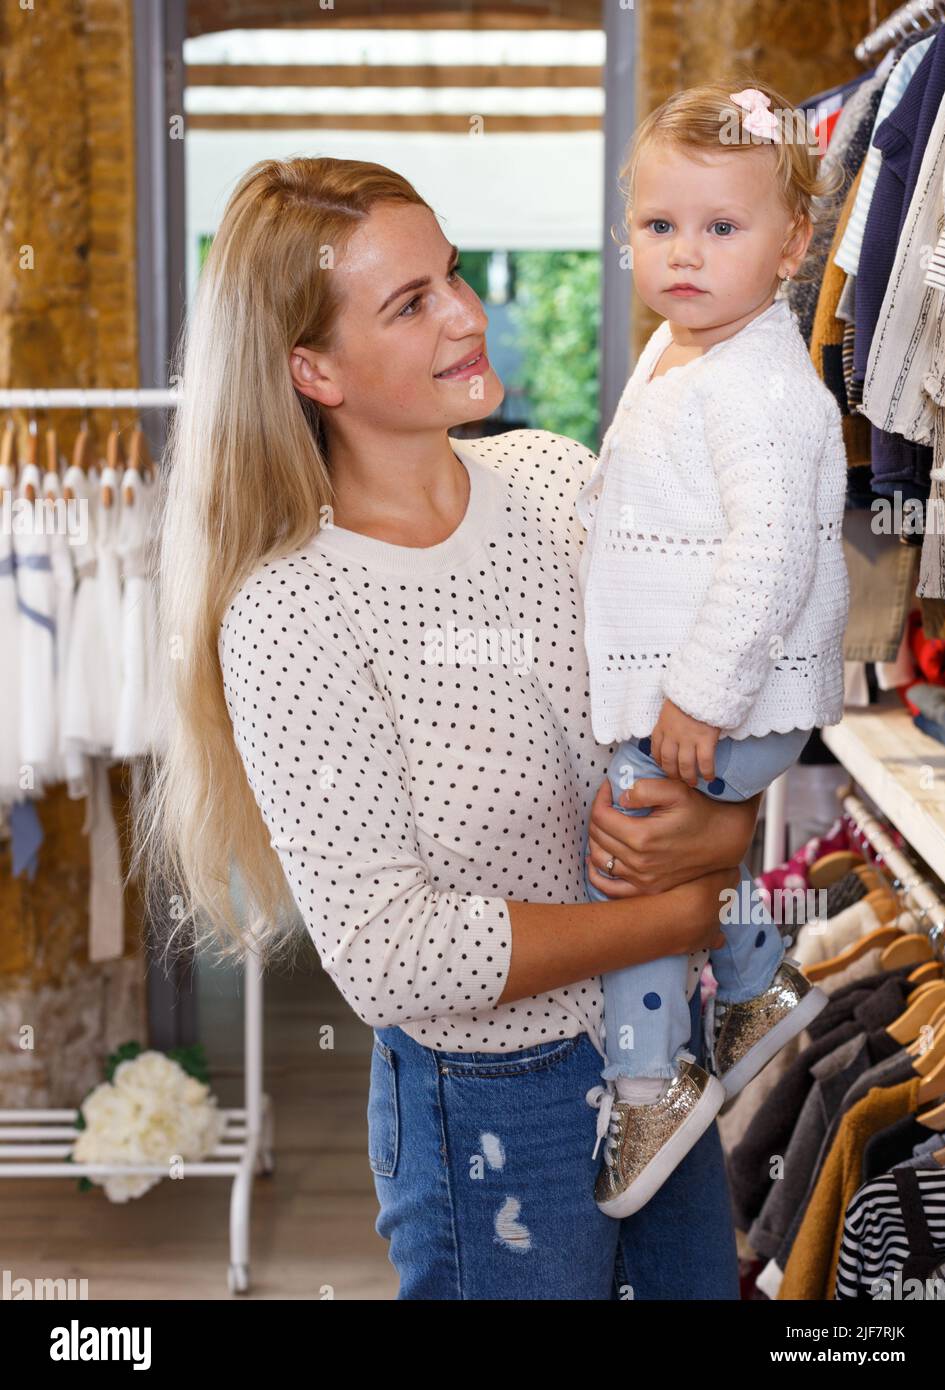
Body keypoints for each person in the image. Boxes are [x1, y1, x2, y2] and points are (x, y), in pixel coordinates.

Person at [137, 154, 763, 1299]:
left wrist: (724, 837)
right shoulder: (293, 607)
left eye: (454, 276)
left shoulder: (556, 480)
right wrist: (679, 912)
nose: (468, 315)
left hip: (665, 1050)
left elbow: (695, 725)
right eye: (411, 303)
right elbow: (391, 954)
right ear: (310, 368)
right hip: (492, 1106)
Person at [576, 80, 852, 1219]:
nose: (683, 255)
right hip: (704, 694)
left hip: (735, 695)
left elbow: (772, 555)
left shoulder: (762, 388)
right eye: (659, 227)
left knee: (634, 872)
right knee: (669, 864)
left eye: (720, 229)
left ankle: (650, 1083)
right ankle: (749, 987)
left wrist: (696, 694)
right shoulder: (678, 348)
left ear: (792, 245)